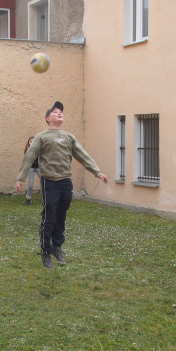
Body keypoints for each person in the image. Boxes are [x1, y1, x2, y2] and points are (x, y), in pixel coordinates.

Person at [16, 101, 108, 270]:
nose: (59, 113)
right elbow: (29, 157)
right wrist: (20, 179)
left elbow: (82, 155)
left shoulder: (68, 137)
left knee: (61, 216)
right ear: (48, 118)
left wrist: (97, 172)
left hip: (66, 181)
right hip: (49, 182)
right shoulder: (41, 137)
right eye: (55, 112)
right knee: (49, 217)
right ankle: (45, 252)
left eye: (61, 112)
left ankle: (57, 248)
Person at [23, 136, 41, 206]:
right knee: (30, 185)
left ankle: (45, 198)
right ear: (28, 142)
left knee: (44, 183)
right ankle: (28, 199)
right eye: (30, 141)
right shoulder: (27, 150)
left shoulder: (39, 149)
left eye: (33, 141)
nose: (32, 143)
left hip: (39, 168)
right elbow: (26, 160)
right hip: (31, 168)